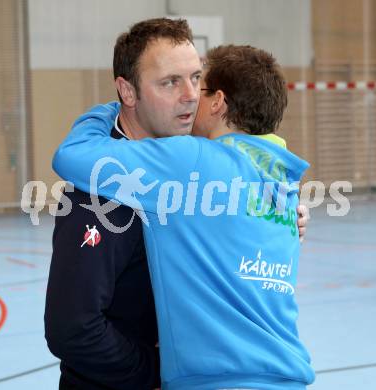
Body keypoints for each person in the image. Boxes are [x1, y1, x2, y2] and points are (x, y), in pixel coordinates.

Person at [52, 38, 315, 390]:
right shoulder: (283, 180)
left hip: (220, 380)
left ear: (218, 102)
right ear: (129, 90)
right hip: (288, 373)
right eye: (171, 82)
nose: (191, 95)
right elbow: (73, 326)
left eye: (197, 82)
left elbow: (72, 153)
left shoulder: (189, 160)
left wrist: (105, 111)